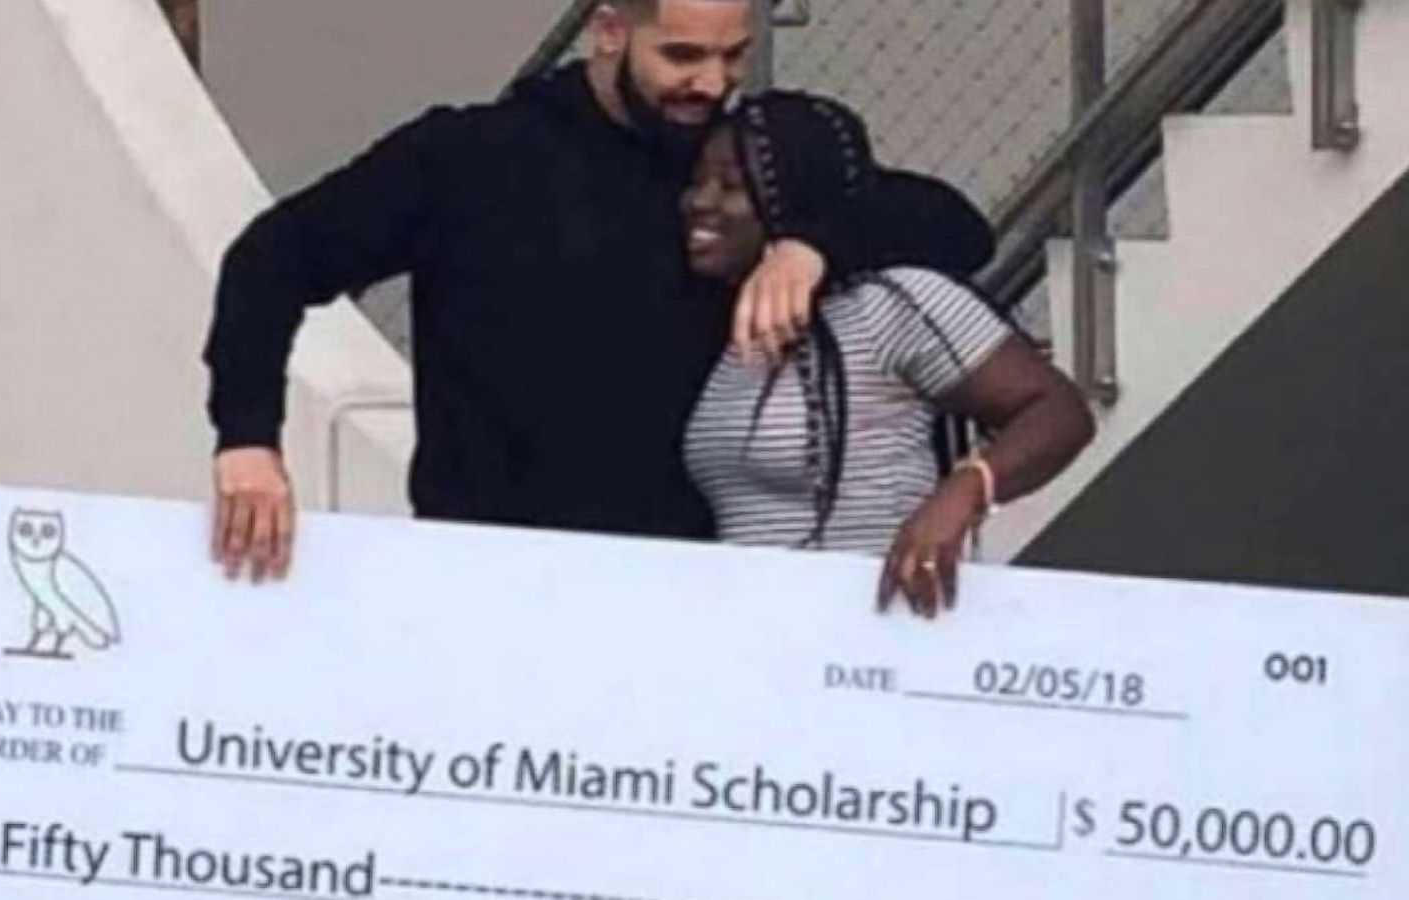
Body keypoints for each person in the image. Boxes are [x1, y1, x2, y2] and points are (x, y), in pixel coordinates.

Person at [203, 0, 996, 582]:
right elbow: (272, 260)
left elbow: (954, 226)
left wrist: (809, 246)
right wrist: (247, 442)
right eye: (682, 55)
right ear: (610, 29)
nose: (710, 83)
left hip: (688, 584)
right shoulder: (470, 159)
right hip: (486, 573)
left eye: (732, 58)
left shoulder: (735, 162)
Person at [679, 91, 1095, 618]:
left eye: (731, 186)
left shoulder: (891, 305)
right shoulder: (735, 336)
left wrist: (964, 492)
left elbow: (1059, 413)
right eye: (696, 181)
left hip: (876, 630)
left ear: (791, 198)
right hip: (763, 635)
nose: (699, 200)